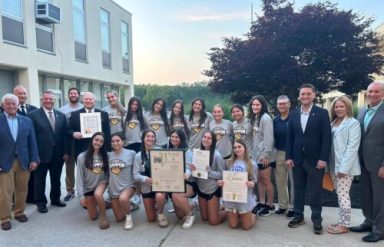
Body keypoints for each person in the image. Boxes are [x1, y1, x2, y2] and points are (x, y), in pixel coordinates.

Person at [285, 83, 331, 235]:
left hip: (315, 160)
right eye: (302, 94)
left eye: (308, 94)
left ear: (314, 95)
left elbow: (326, 138)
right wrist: (288, 156)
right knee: (298, 189)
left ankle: (316, 219)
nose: (305, 96)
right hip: (297, 159)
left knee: (316, 191)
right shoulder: (294, 114)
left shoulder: (322, 113)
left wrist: (323, 158)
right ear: (299, 96)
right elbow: (290, 137)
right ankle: (298, 216)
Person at [350, 82, 384, 243]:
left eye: (377, 91)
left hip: (379, 164)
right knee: (366, 195)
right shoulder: (363, 110)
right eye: (370, 91)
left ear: (383, 93)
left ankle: (380, 229)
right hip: (362, 161)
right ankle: (368, 221)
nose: (373, 94)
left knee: (380, 198)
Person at [0, 94, 39, 231]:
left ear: (18, 105)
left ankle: (19, 212)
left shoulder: (26, 120)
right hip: (4, 162)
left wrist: (34, 159)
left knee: (22, 189)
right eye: (8, 103)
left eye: (14, 103)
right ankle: (4, 218)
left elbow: (32, 142)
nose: (11, 106)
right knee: (5, 192)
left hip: (24, 160)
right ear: (3, 105)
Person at [28, 91, 68, 213]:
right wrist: (34, 156)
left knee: (56, 179)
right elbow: (31, 137)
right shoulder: (33, 115)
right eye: (46, 99)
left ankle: (55, 199)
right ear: (42, 100)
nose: (48, 101)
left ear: (54, 100)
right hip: (41, 154)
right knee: (40, 180)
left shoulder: (60, 115)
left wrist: (66, 152)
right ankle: (40, 202)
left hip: (58, 154)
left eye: (51, 99)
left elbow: (65, 135)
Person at [326, 96, 361, 234]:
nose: (339, 109)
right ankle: (342, 221)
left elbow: (353, 147)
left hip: (344, 168)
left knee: (343, 195)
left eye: (342, 106)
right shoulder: (333, 123)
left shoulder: (353, 123)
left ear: (347, 107)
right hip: (333, 165)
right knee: (339, 194)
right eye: (336, 106)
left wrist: (344, 168)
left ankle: (344, 225)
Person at [218, 140, 257, 230]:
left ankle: (253, 213)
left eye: (239, 147)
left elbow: (255, 182)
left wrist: (251, 184)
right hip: (231, 198)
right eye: (235, 147)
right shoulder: (228, 163)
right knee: (233, 225)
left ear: (245, 149)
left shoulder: (252, 164)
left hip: (244, 198)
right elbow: (225, 179)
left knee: (246, 227)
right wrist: (222, 183)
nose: (237, 149)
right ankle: (239, 214)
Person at [133, 130, 169, 227]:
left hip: (159, 185)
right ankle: (155, 204)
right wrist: (144, 178)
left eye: (152, 136)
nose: (150, 138)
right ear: (143, 139)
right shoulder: (138, 156)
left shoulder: (160, 151)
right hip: (146, 187)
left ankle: (161, 213)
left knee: (160, 197)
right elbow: (135, 174)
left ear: (155, 139)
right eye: (148, 136)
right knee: (151, 219)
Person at [191, 131, 226, 225]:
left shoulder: (217, 156)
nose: (206, 139)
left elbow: (222, 175)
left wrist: (209, 172)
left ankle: (227, 211)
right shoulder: (197, 153)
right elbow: (194, 174)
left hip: (213, 190)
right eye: (204, 137)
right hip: (201, 189)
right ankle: (217, 207)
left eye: (209, 138)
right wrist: (192, 169)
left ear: (213, 141)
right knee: (204, 218)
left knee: (213, 221)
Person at [248, 95, 275, 217]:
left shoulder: (266, 118)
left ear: (262, 105)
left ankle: (270, 206)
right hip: (256, 156)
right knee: (259, 180)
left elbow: (269, 139)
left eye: (257, 104)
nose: (255, 107)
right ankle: (262, 203)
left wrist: (266, 155)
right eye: (253, 105)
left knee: (266, 180)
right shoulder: (255, 118)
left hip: (264, 156)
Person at [76, 132, 109, 229]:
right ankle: (108, 203)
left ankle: (104, 217)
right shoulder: (82, 156)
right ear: (92, 140)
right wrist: (81, 196)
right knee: (93, 216)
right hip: (88, 188)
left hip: (101, 182)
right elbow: (79, 177)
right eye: (96, 140)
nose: (98, 143)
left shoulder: (105, 155)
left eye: (101, 141)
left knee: (98, 194)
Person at [13, 85, 38, 204]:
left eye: (24, 93)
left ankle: (31, 197)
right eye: (20, 94)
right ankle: (15, 201)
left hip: (30, 148)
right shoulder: (9, 108)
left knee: (31, 175)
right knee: (15, 178)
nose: (22, 96)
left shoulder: (34, 109)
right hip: (15, 150)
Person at [168, 129, 196, 229]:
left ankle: (190, 215)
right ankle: (191, 205)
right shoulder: (168, 150)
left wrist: (188, 173)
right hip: (173, 182)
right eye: (172, 136)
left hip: (188, 182)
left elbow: (190, 168)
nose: (174, 139)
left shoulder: (187, 151)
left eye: (176, 137)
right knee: (179, 216)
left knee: (176, 194)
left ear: (181, 139)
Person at [59, 87, 84, 201]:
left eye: (75, 93)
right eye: (71, 93)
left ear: (79, 95)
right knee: (69, 167)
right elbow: (61, 128)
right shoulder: (62, 110)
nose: (73, 95)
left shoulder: (83, 108)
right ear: (68, 95)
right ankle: (70, 190)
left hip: (81, 141)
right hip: (68, 141)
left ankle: (84, 190)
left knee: (83, 166)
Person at [69, 92, 111, 158]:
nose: (88, 101)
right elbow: (68, 130)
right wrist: (73, 133)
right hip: (81, 149)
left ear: (94, 101)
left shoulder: (103, 114)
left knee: (98, 168)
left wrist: (108, 149)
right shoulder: (75, 114)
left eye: (90, 99)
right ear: (83, 101)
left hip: (100, 148)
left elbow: (107, 133)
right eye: (86, 99)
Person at [108, 133, 137, 230]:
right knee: (119, 218)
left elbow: (136, 170)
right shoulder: (108, 155)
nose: (115, 143)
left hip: (128, 186)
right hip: (114, 189)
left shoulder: (131, 153)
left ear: (123, 141)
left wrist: (139, 187)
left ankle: (129, 217)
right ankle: (131, 205)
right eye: (113, 141)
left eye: (118, 141)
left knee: (123, 199)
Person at [273, 95, 294, 218]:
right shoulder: (275, 120)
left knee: (293, 181)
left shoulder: (294, 118)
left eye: (284, 103)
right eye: (279, 104)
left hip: (291, 153)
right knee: (280, 181)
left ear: (289, 104)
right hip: (278, 152)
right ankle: (283, 205)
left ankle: (293, 207)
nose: (281, 106)